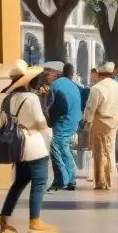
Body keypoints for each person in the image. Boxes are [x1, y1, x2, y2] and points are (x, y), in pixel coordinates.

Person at [0, 61, 57, 233]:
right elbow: (41, 123)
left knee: (18, 183)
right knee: (39, 183)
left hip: (17, 148)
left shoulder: (8, 99)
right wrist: (50, 141)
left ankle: (2, 221)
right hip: (34, 146)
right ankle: (35, 222)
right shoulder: (31, 98)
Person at [82, 61, 118, 190]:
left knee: (100, 152)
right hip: (114, 121)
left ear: (100, 75)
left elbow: (90, 108)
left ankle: (102, 181)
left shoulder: (97, 88)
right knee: (109, 150)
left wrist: (86, 122)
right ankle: (109, 176)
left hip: (100, 122)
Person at [43, 61, 81, 192]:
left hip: (63, 122)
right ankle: (70, 179)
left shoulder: (56, 85)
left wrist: (50, 122)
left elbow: (57, 106)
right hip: (73, 121)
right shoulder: (73, 85)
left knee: (57, 149)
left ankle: (62, 180)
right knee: (65, 149)